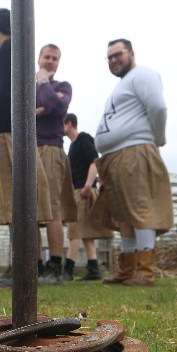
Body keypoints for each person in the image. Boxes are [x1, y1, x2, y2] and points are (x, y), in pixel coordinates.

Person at [93, 39, 173, 286]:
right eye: (109, 57)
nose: (113, 60)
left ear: (131, 53)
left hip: (134, 150)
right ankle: (127, 270)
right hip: (116, 155)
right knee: (124, 214)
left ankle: (145, 271)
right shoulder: (124, 84)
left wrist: (157, 139)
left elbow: (158, 107)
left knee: (140, 208)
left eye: (117, 54)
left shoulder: (143, 74)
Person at [0, 7, 51, 289]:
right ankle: (30, 265)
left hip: (8, 134)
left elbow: (4, 95)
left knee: (16, 204)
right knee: (21, 203)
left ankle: (23, 268)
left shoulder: (7, 50)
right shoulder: (14, 52)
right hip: (12, 133)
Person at [35, 44, 78, 284]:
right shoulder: (26, 88)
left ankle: (54, 265)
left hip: (51, 149)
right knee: (29, 211)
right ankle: (35, 266)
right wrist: (41, 108)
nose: (50, 61)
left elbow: (55, 105)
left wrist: (43, 83)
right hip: (28, 150)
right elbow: (19, 113)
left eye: (55, 58)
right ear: (39, 58)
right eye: (47, 57)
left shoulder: (63, 86)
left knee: (51, 209)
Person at [63, 113, 114, 280]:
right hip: (78, 189)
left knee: (75, 229)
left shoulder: (84, 139)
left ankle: (68, 270)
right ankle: (94, 270)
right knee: (85, 232)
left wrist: (88, 184)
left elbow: (94, 162)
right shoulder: (72, 146)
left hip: (83, 190)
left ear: (69, 123)